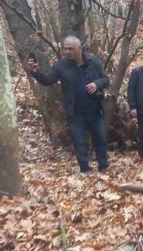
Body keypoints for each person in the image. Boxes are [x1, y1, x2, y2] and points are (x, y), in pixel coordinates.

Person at [26, 36, 110, 173]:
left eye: (70, 49)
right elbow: (47, 80)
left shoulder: (93, 62)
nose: (67, 51)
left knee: (100, 139)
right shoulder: (61, 66)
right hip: (75, 112)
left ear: (79, 48)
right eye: (65, 48)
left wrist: (97, 84)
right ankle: (85, 169)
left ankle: (103, 166)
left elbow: (106, 80)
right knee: (79, 142)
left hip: (95, 110)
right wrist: (35, 72)